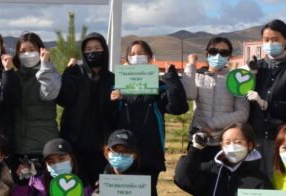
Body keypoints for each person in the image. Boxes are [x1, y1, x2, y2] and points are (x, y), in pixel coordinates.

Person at [111, 40, 188, 176]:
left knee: (149, 188)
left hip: (151, 153)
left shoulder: (159, 87)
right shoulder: (117, 86)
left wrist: (171, 78)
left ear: (149, 57)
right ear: (127, 58)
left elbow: (178, 107)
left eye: (141, 53)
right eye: (133, 54)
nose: (137, 57)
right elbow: (107, 117)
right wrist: (113, 101)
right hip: (123, 152)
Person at [246, 20, 286, 177]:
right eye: (266, 40)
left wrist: (266, 104)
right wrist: (250, 76)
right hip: (255, 135)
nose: (270, 43)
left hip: (279, 138)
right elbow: (243, 99)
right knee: (255, 180)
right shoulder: (257, 66)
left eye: (275, 39)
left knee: (278, 179)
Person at [57, 33, 116, 184]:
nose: (93, 52)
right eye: (88, 49)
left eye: (97, 48)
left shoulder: (112, 79)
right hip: (75, 144)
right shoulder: (76, 73)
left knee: (100, 189)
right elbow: (63, 99)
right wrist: (67, 75)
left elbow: (117, 112)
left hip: (103, 147)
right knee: (76, 188)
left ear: (105, 50)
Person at [181, 35, 249, 155]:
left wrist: (212, 124)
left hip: (226, 141)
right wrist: (191, 65)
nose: (218, 56)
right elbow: (189, 95)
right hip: (199, 138)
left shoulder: (236, 79)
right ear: (207, 54)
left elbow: (243, 113)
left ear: (229, 56)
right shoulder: (198, 76)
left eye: (224, 53)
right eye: (213, 51)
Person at [12, 32, 61, 161]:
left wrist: (45, 66)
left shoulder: (50, 74)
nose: (27, 54)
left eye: (31, 49)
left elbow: (48, 94)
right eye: (23, 51)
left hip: (44, 146)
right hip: (17, 147)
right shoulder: (14, 76)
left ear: (40, 50)